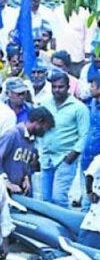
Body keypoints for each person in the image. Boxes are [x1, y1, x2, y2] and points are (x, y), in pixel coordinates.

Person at [36, 68, 89, 206]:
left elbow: (85, 135)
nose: (57, 90)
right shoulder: (45, 103)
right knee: (46, 200)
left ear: (68, 87)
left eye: (60, 87)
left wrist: (73, 155)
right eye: (54, 87)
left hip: (65, 158)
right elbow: (38, 127)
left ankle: (66, 227)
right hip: (46, 157)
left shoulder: (79, 108)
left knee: (59, 198)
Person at [0, 106, 54, 195]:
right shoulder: (12, 135)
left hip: (16, 191)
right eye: (45, 128)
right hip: (0, 190)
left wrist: (26, 177)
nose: (45, 131)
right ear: (39, 121)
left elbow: (25, 164)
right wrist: (6, 182)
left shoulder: (32, 141)